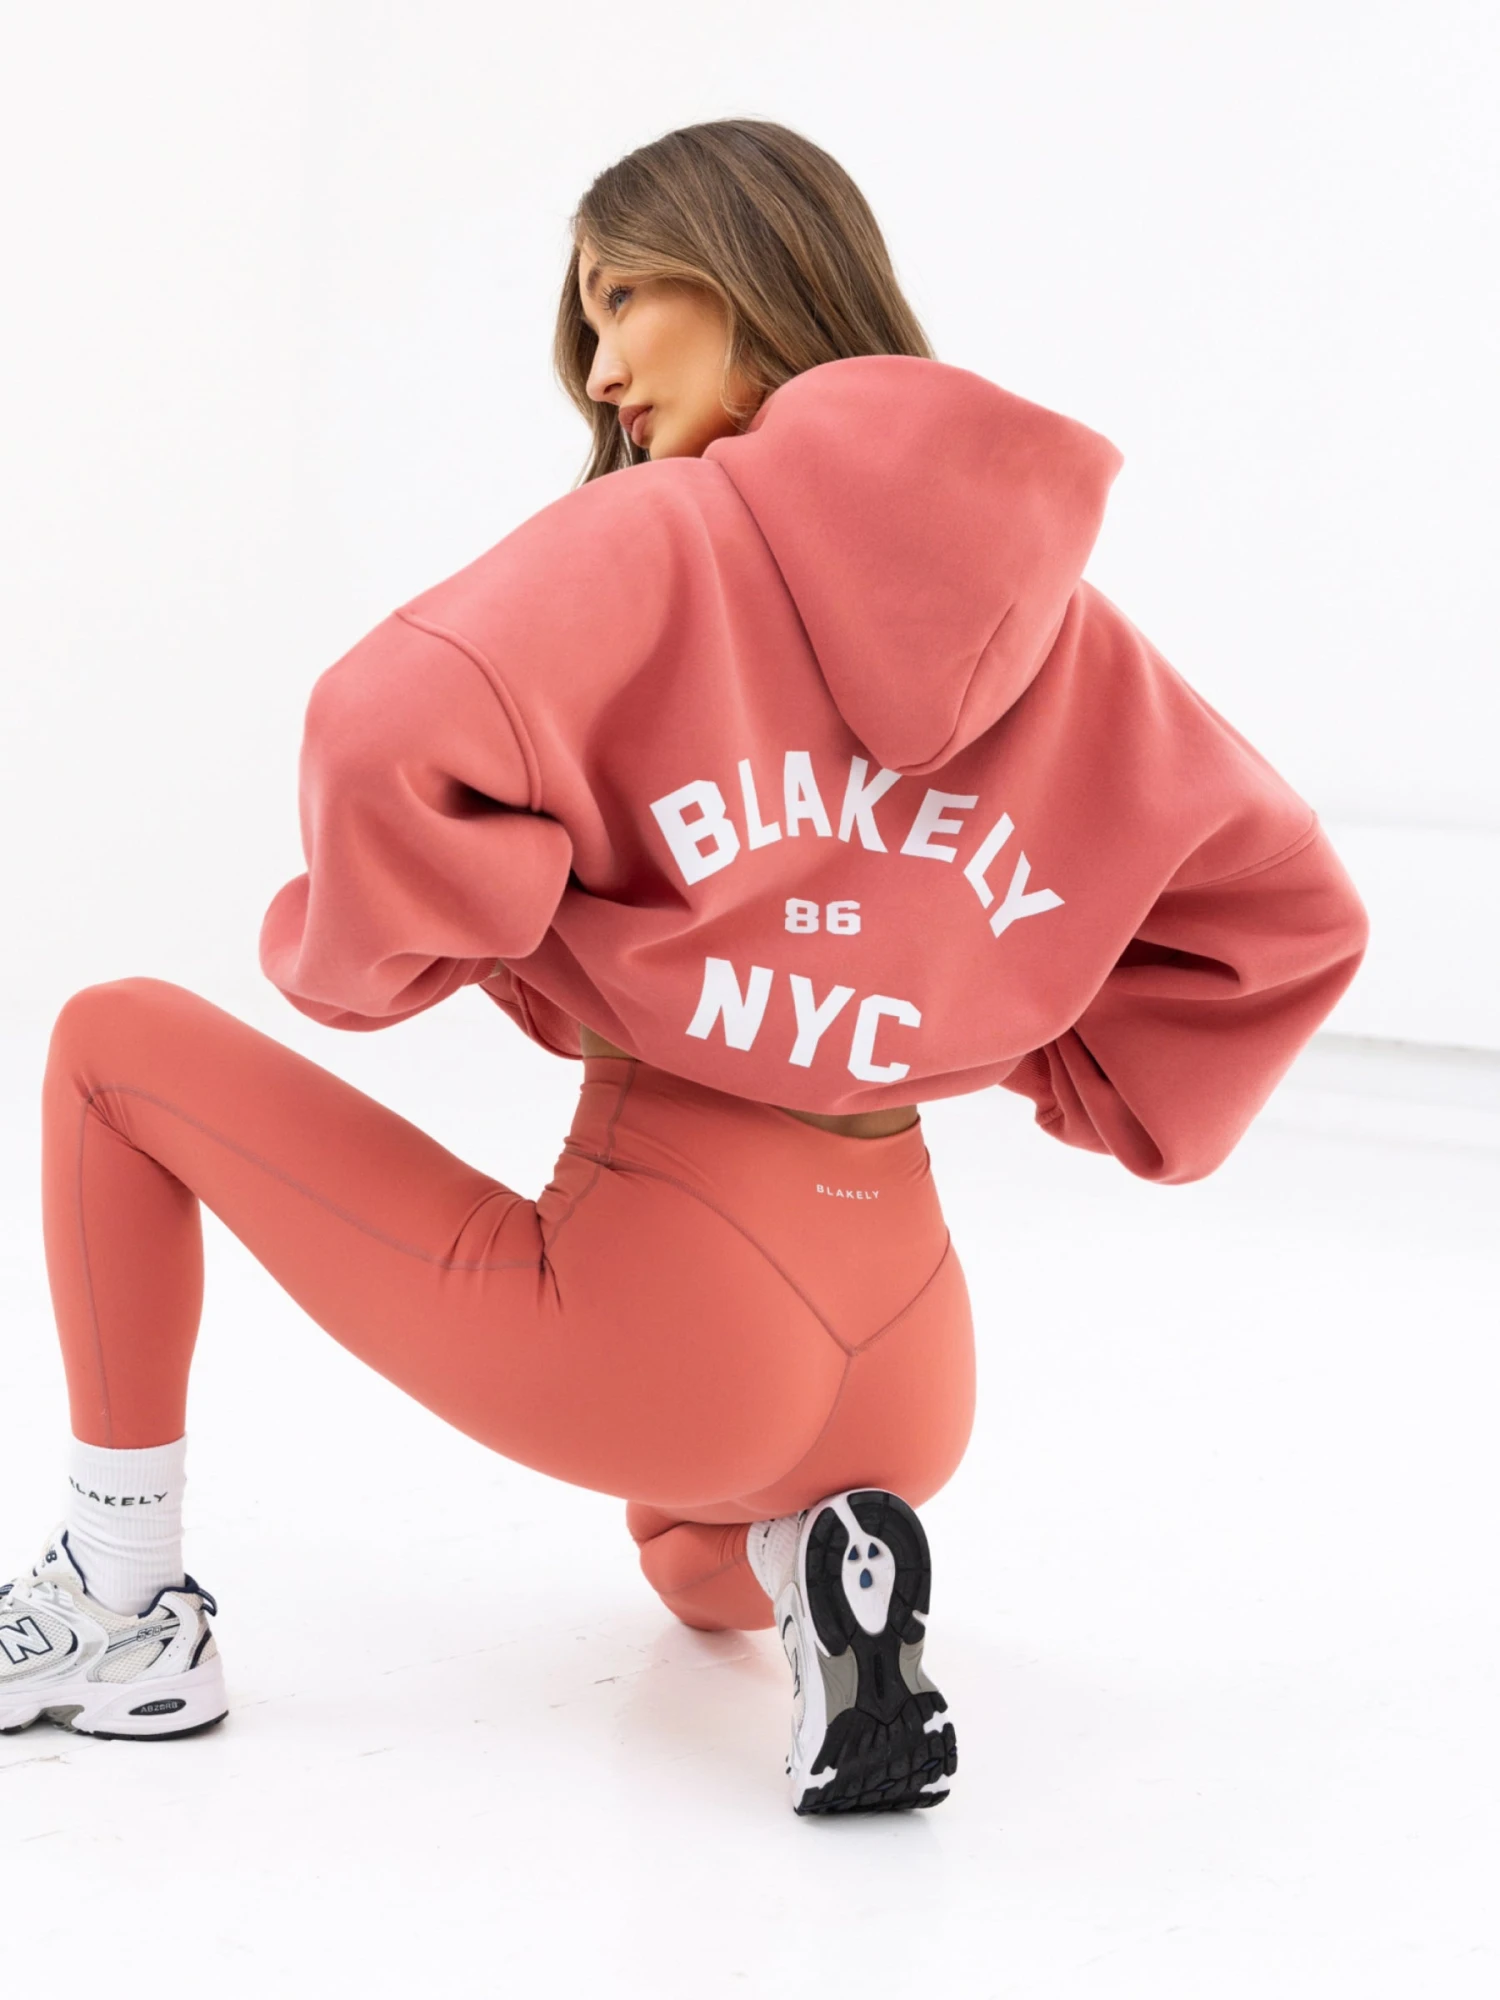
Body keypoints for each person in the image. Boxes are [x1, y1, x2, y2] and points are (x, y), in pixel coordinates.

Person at [0, 118, 1369, 1816]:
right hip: (911, 1356)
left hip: (668, 1309)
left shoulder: (662, 534)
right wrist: (984, 1018)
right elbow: (1292, 914)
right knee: (683, 1548)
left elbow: (379, 723)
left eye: (621, 298)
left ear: (744, 272)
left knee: (109, 1045)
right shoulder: (1057, 622)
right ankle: (826, 1556)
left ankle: (118, 1603)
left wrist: (483, 935)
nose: (599, 371)